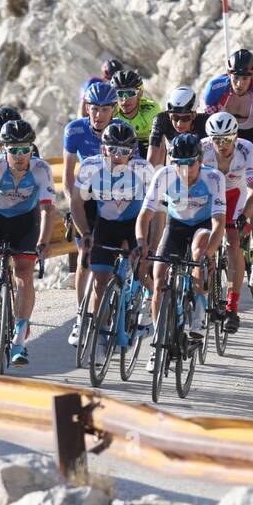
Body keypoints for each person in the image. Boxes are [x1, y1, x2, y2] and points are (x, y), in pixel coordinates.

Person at [0, 119, 56, 367]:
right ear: (3, 149)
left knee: (24, 274)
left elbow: (48, 209)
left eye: (25, 149)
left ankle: (19, 339)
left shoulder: (41, 169)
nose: (19, 155)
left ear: (32, 149)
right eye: (13, 149)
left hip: (25, 222)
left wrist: (44, 241)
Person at [136, 133, 226, 369]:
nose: (184, 169)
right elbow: (145, 215)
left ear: (199, 160)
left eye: (189, 163)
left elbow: (219, 223)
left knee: (199, 250)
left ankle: (198, 314)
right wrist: (141, 243)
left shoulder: (214, 178)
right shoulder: (163, 175)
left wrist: (210, 253)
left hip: (203, 225)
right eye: (178, 163)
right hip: (175, 226)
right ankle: (157, 343)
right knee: (158, 280)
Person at [69, 120, 155, 344]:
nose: (117, 156)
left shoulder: (143, 169)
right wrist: (86, 233)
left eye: (124, 151)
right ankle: (100, 332)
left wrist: (149, 242)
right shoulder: (90, 166)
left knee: (142, 267)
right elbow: (76, 204)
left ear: (132, 152)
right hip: (105, 224)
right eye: (112, 150)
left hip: (134, 225)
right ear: (102, 149)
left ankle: (143, 305)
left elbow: (156, 209)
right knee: (99, 281)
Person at [64, 81, 119, 345]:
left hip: (112, 198)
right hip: (84, 195)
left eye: (105, 109)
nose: (98, 115)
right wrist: (72, 204)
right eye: (94, 108)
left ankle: (106, 316)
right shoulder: (75, 130)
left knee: (107, 263)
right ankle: (80, 318)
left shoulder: (122, 132)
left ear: (114, 110)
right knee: (84, 256)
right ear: (87, 107)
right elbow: (66, 177)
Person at [200, 111, 253, 333]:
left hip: (236, 194)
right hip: (210, 196)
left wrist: (246, 214)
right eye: (216, 139)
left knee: (233, 242)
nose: (221, 144)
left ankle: (232, 306)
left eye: (226, 139)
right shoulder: (202, 148)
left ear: (235, 137)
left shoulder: (247, 149)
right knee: (203, 241)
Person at [202, 49, 253, 144]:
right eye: (235, 78)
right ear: (229, 75)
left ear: (252, 77)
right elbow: (209, 123)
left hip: (252, 136)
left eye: (245, 78)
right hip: (222, 135)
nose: (239, 84)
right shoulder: (215, 88)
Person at [148, 85, 208, 167]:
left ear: (194, 115)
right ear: (169, 115)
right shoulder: (161, 120)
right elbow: (153, 152)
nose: (179, 123)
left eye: (185, 118)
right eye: (175, 117)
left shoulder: (205, 122)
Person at [111, 66, 159, 158]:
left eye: (130, 93)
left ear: (140, 94)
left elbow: (161, 144)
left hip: (147, 148)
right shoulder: (111, 111)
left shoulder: (152, 110)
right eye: (120, 93)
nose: (125, 99)